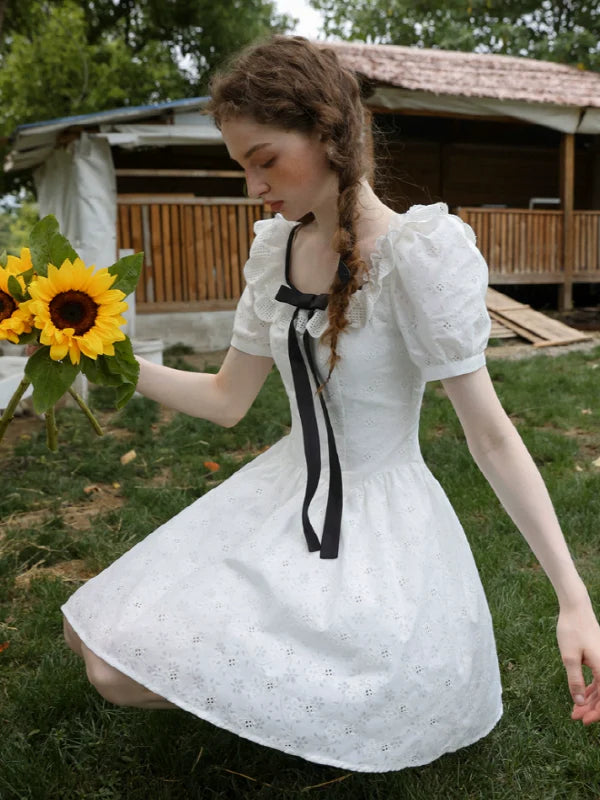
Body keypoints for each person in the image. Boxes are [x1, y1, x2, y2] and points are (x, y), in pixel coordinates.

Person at [61, 36, 600, 772]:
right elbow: (227, 400)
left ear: (328, 134)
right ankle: (287, 700)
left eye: (264, 159)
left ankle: (322, 700)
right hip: (284, 494)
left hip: (384, 523)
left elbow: (492, 437)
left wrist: (574, 597)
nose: (254, 187)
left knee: (129, 667)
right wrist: (105, 357)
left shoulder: (418, 253)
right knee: (97, 646)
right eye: (241, 166)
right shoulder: (273, 249)